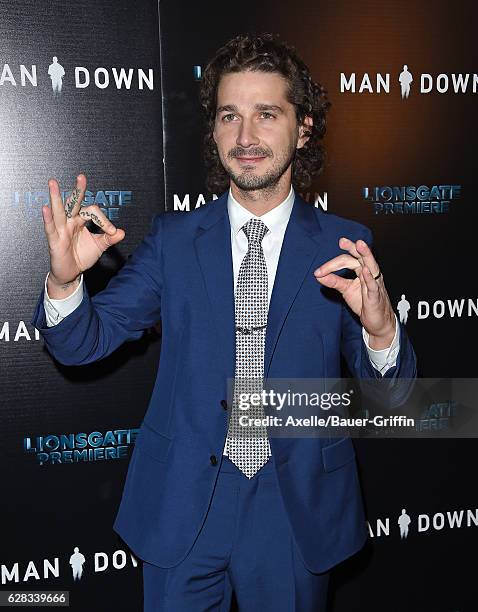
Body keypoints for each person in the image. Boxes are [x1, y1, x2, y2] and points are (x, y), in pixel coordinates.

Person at [32, 34, 416, 612]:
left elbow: (392, 401)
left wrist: (382, 331)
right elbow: (82, 344)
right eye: (229, 116)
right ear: (213, 132)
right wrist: (65, 283)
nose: (246, 137)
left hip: (294, 510)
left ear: (303, 128)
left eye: (267, 114)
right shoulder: (174, 241)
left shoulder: (345, 244)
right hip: (184, 503)